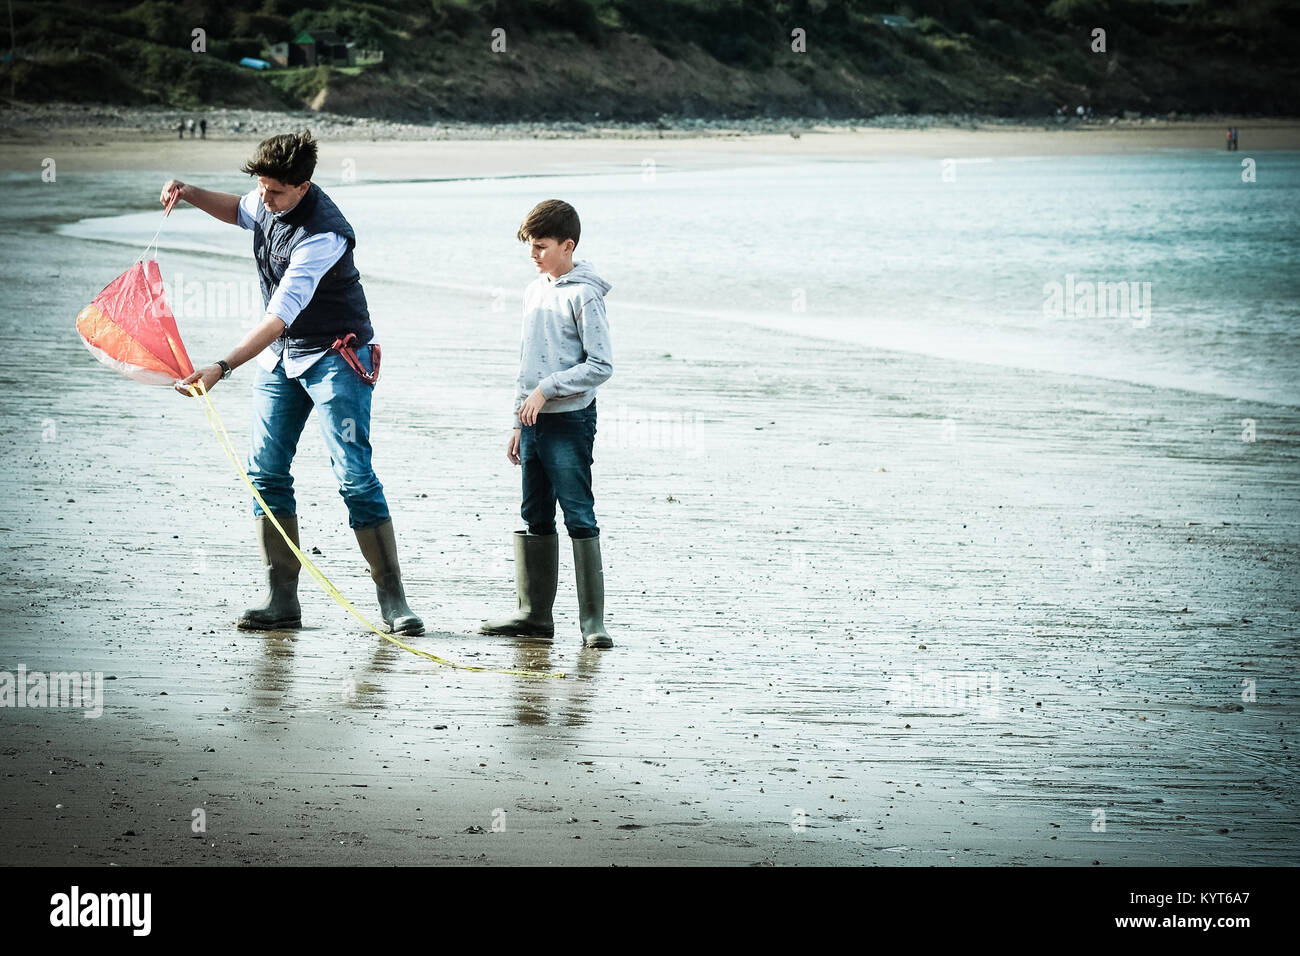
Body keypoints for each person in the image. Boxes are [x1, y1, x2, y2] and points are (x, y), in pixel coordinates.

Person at [162, 130, 424, 637]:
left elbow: (279, 315)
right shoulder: (266, 200)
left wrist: (222, 366)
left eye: (276, 191)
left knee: (354, 477)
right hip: (281, 360)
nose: (265, 198)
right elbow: (239, 209)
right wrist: (190, 192)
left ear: (304, 186)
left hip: (335, 356)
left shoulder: (324, 234)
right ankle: (281, 600)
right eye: (262, 187)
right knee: (264, 473)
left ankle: (394, 601)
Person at [480, 199, 614, 649]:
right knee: (534, 514)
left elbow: (601, 365)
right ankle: (534, 615)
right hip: (532, 421)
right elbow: (526, 363)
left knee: (578, 513)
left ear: (567, 246)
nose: (533, 255)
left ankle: (592, 622)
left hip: (570, 422)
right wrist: (518, 419)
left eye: (541, 246)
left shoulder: (585, 295)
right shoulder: (534, 290)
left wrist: (548, 389)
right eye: (529, 246)